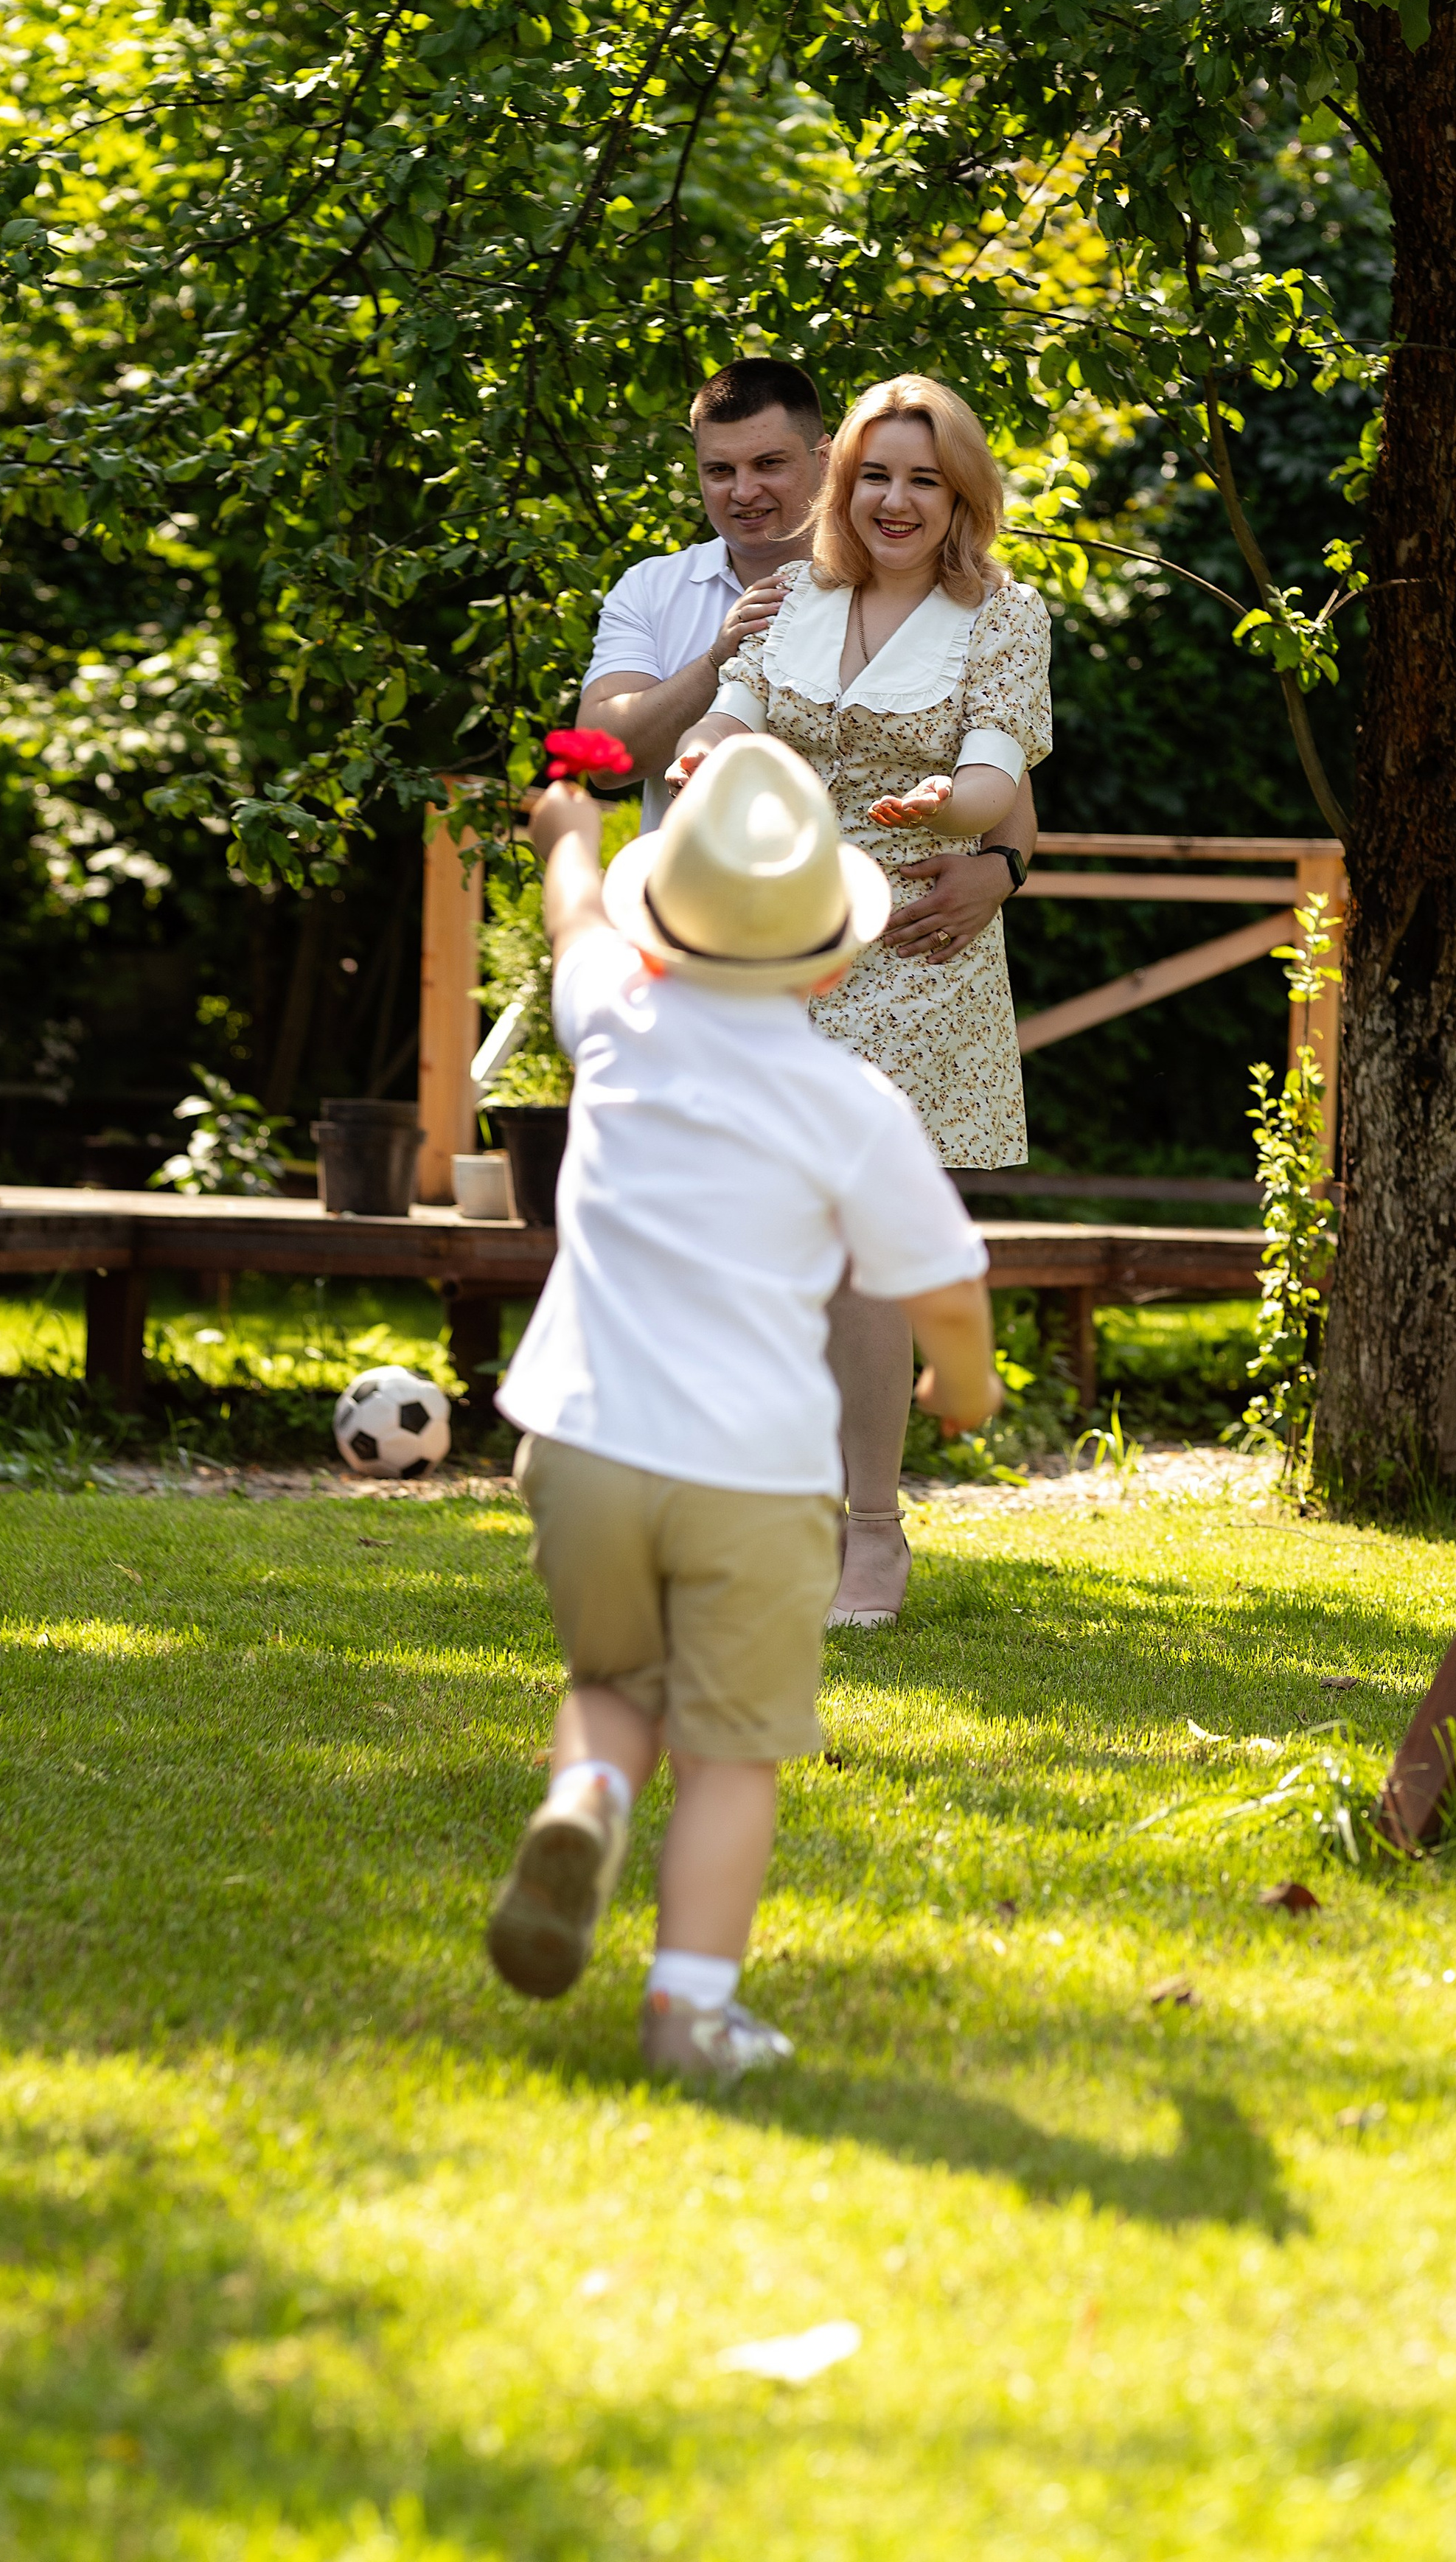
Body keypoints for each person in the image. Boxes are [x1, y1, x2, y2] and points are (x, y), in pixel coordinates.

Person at [487, 734, 1000, 2082]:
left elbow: (573, 917)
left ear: (664, 931)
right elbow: (943, 1284)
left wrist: (571, 835)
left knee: (614, 1684)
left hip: (581, 1444)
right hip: (754, 1480)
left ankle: (588, 1796)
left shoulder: (615, 1018)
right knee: (732, 1751)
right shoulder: (850, 1101)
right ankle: (689, 2014)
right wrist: (969, 1382)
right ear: (834, 960)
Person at [669, 374, 1052, 1628]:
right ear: (848, 485)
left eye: (924, 479)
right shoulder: (793, 599)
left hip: (913, 940)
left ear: (962, 496)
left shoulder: (1002, 613)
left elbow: (999, 777)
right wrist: (701, 756)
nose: (897, 500)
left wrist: (947, 810)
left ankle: (871, 1533)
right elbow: (732, 722)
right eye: (877, 475)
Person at [579, 354, 1034, 962]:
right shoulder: (652, 588)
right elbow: (604, 758)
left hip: (900, 950)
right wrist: (719, 658)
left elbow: (998, 764)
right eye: (719, 470)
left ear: (825, 462)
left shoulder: (974, 610)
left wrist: (1002, 868)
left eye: (768, 464)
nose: (744, 491)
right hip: (709, 937)